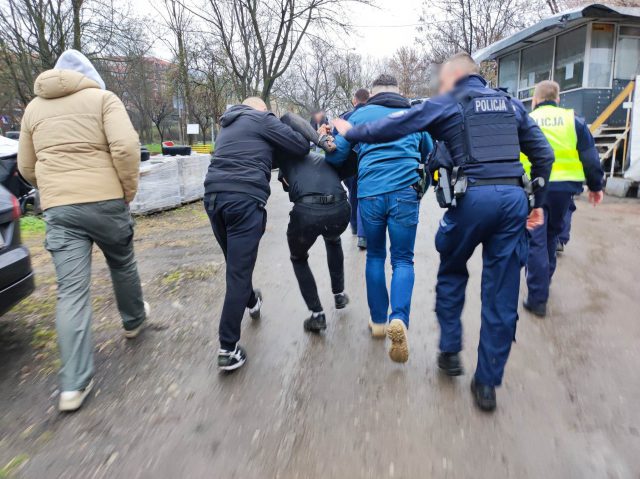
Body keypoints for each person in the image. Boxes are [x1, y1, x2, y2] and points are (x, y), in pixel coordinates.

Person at [333, 53, 554, 412]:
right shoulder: (512, 105)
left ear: (453, 75)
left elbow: (397, 125)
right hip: (513, 202)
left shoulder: (449, 103)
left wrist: (352, 130)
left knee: (452, 268)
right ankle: (486, 384)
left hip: (471, 201)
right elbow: (542, 154)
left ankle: (450, 351)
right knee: (501, 292)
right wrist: (538, 202)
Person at [18, 49, 148, 412]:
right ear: (89, 75)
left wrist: (55, 188)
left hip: (60, 209)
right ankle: (134, 321)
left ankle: (73, 385)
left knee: (71, 292)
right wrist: (128, 190)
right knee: (122, 262)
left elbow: (26, 166)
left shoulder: (32, 109)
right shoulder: (104, 99)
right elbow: (125, 148)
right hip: (107, 200)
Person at [327, 74, 433, 364]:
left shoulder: (360, 115)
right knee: (402, 260)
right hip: (404, 194)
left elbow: (335, 158)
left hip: (370, 194)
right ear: (399, 92)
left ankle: (377, 323)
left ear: (372, 94)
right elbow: (429, 151)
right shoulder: (413, 114)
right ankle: (399, 318)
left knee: (375, 256)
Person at [203, 97, 309, 372]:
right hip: (244, 201)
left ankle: (252, 299)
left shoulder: (228, 125)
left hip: (213, 199)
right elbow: (300, 145)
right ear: (262, 110)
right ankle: (228, 348)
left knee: (236, 265)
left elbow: (261, 154)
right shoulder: (262, 119)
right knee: (238, 272)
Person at [521, 80, 604, 317]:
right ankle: (544, 282)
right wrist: (596, 186)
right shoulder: (573, 120)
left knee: (535, 239)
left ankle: (538, 298)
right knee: (550, 236)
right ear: (558, 99)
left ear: (535, 100)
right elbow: (589, 156)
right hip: (563, 190)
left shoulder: (527, 120)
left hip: (534, 185)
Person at [277, 113, 351, 332]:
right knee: (333, 239)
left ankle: (317, 314)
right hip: (340, 209)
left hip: (307, 214)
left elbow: (287, 185)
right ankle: (339, 294)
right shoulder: (321, 158)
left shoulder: (285, 159)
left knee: (298, 258)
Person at [340, 88, 370, 250]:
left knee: (354, 194)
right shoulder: (375, 115)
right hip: (369, 162)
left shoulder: (346, 117)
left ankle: (355, 225)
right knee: (366, 196)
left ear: (355, 100)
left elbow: (338, 142)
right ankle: (364, 232)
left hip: (350, 163)